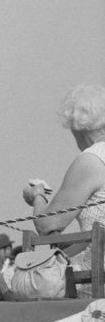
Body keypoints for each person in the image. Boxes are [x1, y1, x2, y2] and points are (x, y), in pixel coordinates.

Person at [23, 84, 105, 294]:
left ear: (76, 126)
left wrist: (37, 195)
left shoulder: (91, 160)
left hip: (95, 279)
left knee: (27, 284)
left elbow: (47, 225)